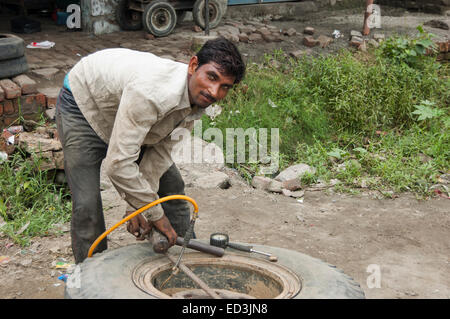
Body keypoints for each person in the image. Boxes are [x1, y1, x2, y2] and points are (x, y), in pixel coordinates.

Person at [55, 37, 245, 264]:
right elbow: (118, 165)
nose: (214, 91)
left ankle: (187, 261)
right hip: (84, 104)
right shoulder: (151, 94)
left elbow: (160, 154)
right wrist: (156, 214)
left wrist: (136, 208)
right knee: (87, 205)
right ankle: (91, 280)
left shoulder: (197, 100)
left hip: (128, 111)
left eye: (225, 86)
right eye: (211, 77)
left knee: (172, 185)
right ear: (193, 66)